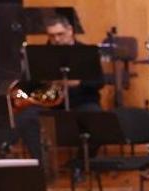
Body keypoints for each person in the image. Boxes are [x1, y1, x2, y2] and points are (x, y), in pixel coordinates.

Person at [11, 14, 103, 160]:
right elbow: (27, 85)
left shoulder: (87, 52)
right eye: (52, 36)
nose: (57, 40)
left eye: (60, 34)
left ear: (70, 30)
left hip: (82, 102)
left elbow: (99, 82)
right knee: (25, 117)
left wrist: (78, 83)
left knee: (97, 119)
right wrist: (43, 81)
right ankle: (43, 164)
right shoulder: (39, 55)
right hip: (50, 103)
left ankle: (81, 163)